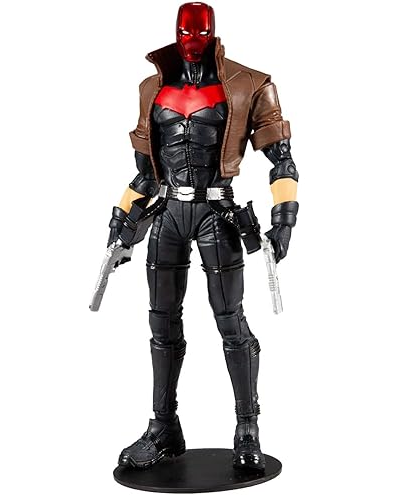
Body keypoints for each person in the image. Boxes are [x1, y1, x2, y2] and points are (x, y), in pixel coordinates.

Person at [107, 2, 299, 471]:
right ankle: (163, 428)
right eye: (185, 32)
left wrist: (285, 217)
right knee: (161, 324)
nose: (191, 40)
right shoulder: (152, 88)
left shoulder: (250, 84)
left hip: (218, 213)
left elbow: (283, 160)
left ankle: (247, 427)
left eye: (200, 32)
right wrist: (120, 219)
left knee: (231, 322)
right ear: (175, 33)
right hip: (168, 213)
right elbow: (146, 173)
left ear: (212, 33)